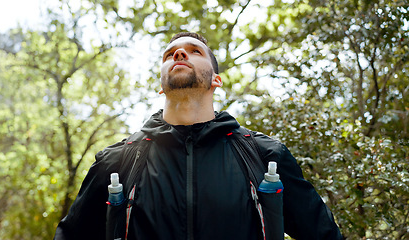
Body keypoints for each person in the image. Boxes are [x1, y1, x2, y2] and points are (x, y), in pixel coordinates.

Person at [54, 32, 343, 240]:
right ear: (161, 85)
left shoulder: (265, 155)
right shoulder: (115, 162)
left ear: (216, 80)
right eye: (170, 54)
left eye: (194, 51)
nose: (180, 54)